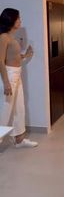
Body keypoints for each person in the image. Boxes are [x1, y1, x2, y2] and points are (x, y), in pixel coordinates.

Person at [0, 8, 38, 148]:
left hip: (17, 74)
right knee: (6, 109)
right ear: (11, 20)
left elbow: (14, 58)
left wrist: (26, 55)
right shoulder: (3, 37)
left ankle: (19, 139)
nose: (20, 20)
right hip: (9, 76)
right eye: (18, 18)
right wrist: (6, 82)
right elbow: (0, 61)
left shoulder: (12, 37)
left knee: (19, 107)